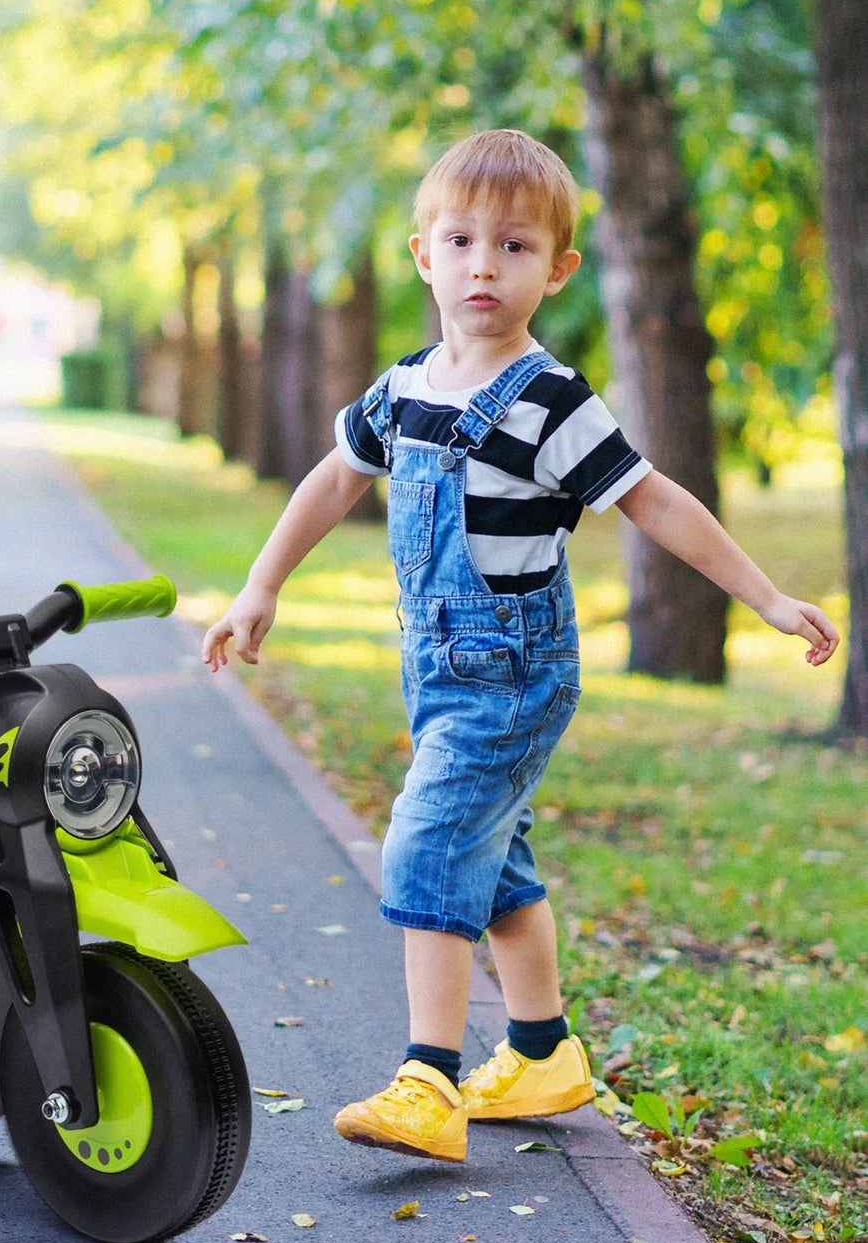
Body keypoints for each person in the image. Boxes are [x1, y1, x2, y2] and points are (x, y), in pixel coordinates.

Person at [201, 129, 839, 1164]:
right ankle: (540, 1050)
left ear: (557, 268)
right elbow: (332, 479)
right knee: (492, 862)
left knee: (428, 840)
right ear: (422, 256)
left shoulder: (550, 400)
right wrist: (259, 583)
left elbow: (652, 499)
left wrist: (760, 594)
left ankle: (427, 1078)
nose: (483, 265)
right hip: (437, 669)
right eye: (459, 241)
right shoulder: (404, 386)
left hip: (512, 670)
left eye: (512, 245)